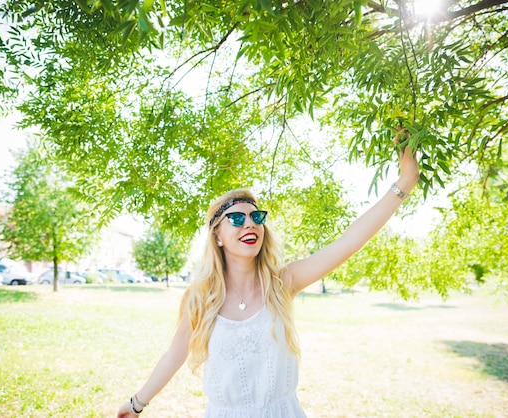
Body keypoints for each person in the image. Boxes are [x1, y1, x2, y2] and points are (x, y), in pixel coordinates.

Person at [117, 136, 419, 417]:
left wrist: (404, 183)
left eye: (256, 217)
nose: (249, 224)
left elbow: (348, 242)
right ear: (218, 236)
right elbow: (175, 354)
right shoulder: (201, 296)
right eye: (236, 218)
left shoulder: (283, 283)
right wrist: (136, 404)